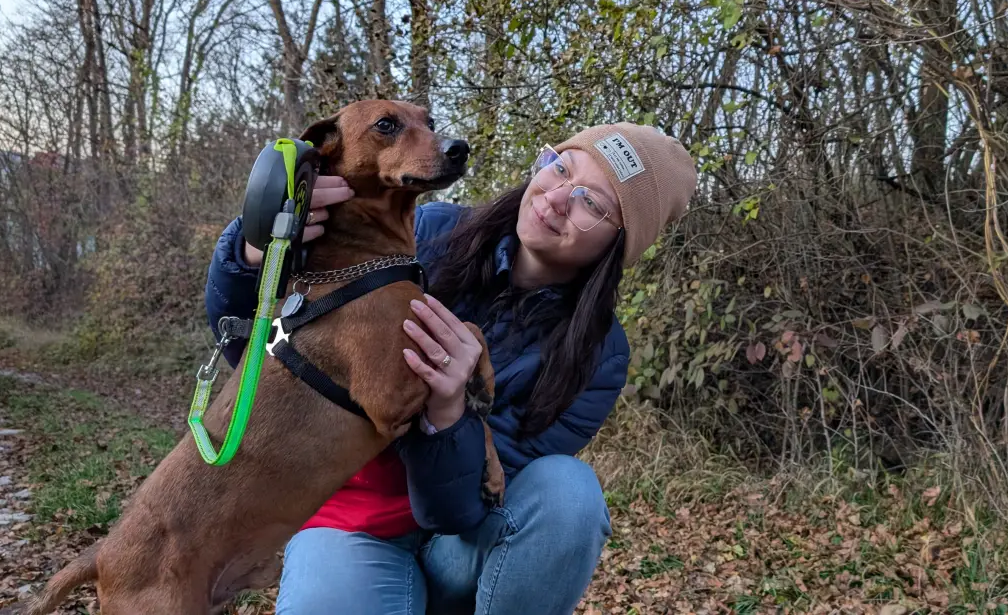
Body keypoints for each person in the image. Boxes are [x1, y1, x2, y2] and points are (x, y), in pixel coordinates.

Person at [203, 122, 697, 614]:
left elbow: (460, 509)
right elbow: (257, 345)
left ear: (620, 244)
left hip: (459, 543)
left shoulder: (599, 356)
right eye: (561, 167)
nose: (557, 196)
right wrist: (258, 247)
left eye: (592, 203)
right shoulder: (427, 231)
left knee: (570, 494)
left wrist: (448, 411)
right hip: (352, 522)